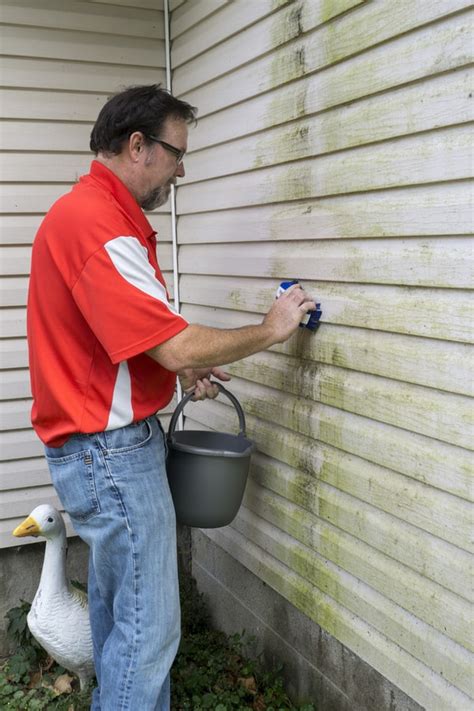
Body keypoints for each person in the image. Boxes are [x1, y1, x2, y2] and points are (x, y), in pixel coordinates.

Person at [27, 84, 316, 711]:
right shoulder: (97, 226)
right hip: (111, 457)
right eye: (176, 154)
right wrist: (271, 328)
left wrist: (172, 377)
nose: (182, 170)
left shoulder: (91, 216)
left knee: (118, 618)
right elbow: (176, 344)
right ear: (138, 146)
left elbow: (116, 337)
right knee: (147, 634)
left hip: (93, 452)